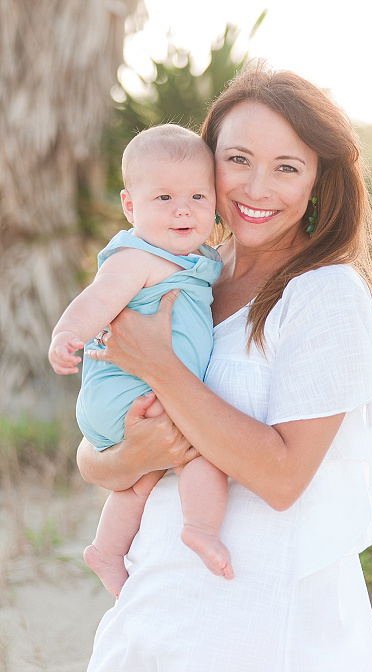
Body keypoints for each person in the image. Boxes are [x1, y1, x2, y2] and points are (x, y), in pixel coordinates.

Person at [76, 64, 372, 672]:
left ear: (319, 182)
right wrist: (129, 455)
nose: (258, 188)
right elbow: (96, 452)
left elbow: (284, 478)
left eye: (288, 167)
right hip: (155, 602)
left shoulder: (326, 293)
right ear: (206, 165)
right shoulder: (186, 273)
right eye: (238, 160)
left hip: (261, 621)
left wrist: (159, 367)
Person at [49, 124, 231, 597]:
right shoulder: (137, 256)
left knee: (144, 476)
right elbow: (98, 299)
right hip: (124, 390)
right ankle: (200, 528)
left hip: (140, 393)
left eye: (197, 195)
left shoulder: (199, 258)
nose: (183, 209)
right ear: (131, 207)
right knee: (202, 445)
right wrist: (68, 333)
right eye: (165, 198)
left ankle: (107, 551)